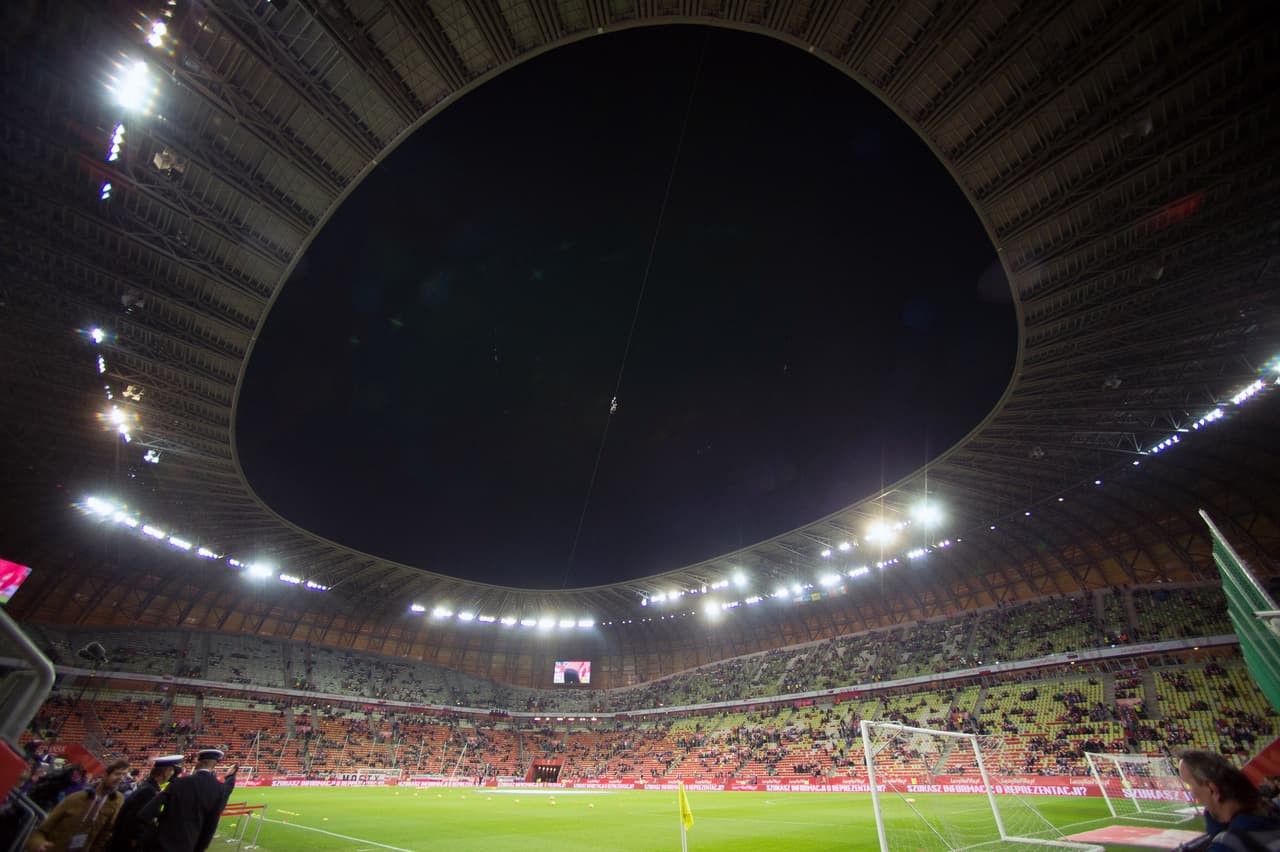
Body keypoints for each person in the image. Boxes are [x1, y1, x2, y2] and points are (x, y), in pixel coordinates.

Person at [137, 749, 237, 852]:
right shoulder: (219, 789)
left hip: (161, 843)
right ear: (214, 765)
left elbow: (146, 813)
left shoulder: (178, 782)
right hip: (188, 844)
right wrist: (199, 848)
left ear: (198, 763)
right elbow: (211, 825)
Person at [1178, 750, 1280, 851]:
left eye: (1190, 785)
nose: (1191, 794)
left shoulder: (1228, 846)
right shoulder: (1273, 809)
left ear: (1213, 789)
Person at [25, 759, 129, 852]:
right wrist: (38, 844)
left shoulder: (115, 804)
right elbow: (42, 830)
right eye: (117, 774)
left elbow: (103, 837)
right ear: (105, 775)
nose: (120, 778)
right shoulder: (77, 798)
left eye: (124, 775)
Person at [104, 755, 184, 852]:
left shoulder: (149, 786)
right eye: (171, 771)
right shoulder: (149, 791)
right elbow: (136, 817)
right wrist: (135, 839)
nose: (172, 774)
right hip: (129, 843)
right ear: (165, 771)